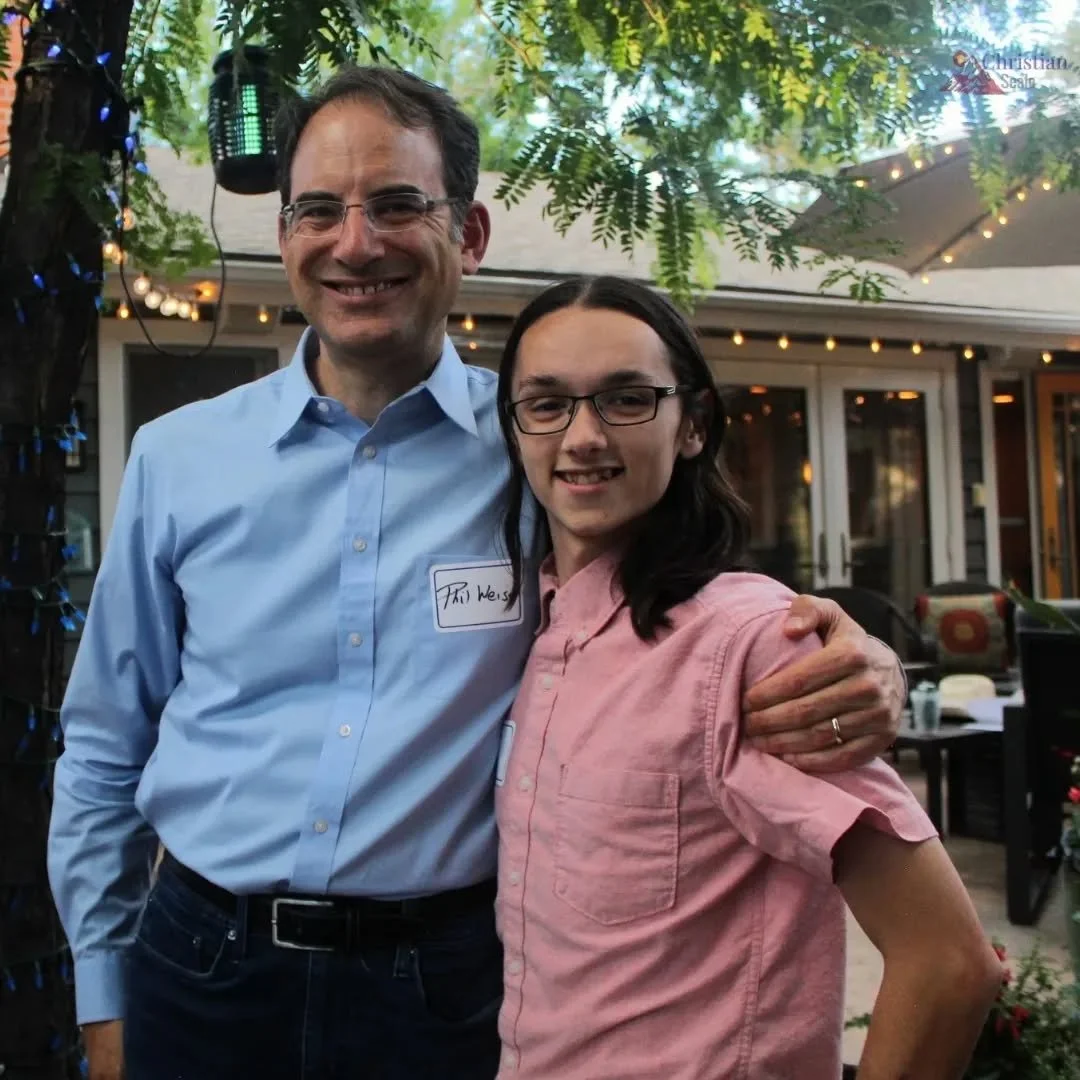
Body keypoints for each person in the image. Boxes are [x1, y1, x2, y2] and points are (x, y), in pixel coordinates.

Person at [48, 67, 910, 1080]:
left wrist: (859, 653)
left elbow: (686, 603)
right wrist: (104, 997)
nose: (355, 243)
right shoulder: (176, 458)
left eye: (399, 205)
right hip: (197, 969)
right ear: (284, 235)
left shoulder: (544, 443)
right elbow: (106, 746)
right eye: (318, 210)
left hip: (446, 989)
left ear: (471, 233)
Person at [493, 275, 1002, 1080]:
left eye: (627, 399)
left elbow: (947, 962)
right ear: (516, 429)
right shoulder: (540, 626)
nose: (582, 436)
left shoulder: (747, 646)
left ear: (692, 426)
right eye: (547, 404)